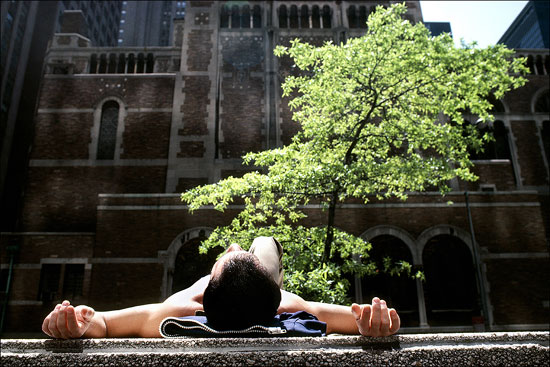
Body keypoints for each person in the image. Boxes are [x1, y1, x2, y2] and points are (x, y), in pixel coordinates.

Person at [42, 237, 400, 339]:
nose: (231, 245)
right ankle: (262, 250)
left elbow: (105, 323)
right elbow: (357, 319)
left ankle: (255, 253)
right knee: (264, 241)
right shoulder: (288, 304)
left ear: (205, 287)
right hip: (257, 293)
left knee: (258, 242)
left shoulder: (179, 307)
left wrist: (79, 323)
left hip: (244, 293)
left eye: (227, 256)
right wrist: (377, 324)